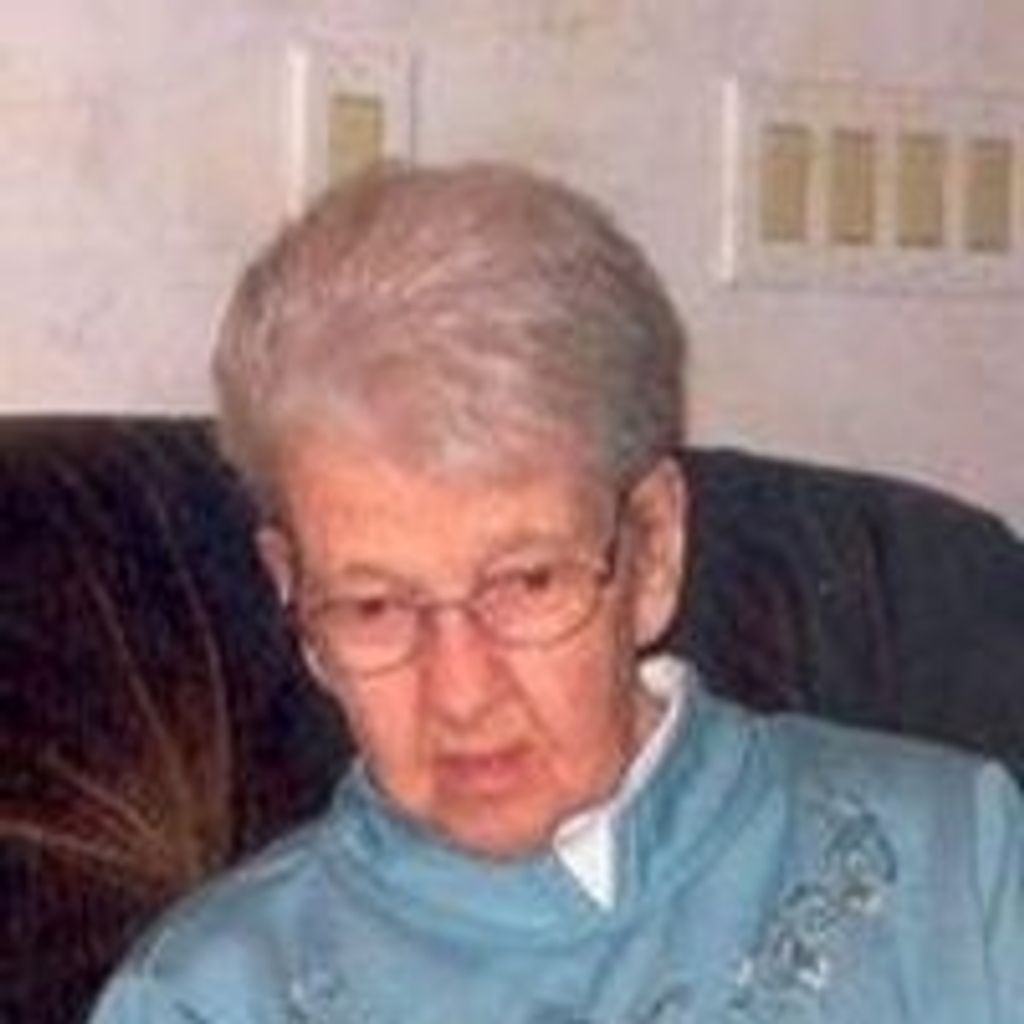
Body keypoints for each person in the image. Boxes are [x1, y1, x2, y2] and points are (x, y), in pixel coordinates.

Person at [89, 162, 1023, 1023]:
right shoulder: (204, 999)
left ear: (653, 549)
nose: (462, 695)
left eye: (527, 582)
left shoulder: (954, 863)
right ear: (295, 596)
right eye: (374, 606)